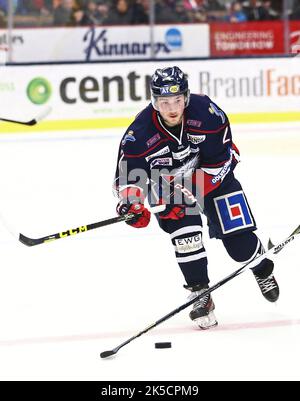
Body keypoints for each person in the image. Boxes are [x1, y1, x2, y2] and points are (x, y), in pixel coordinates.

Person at [113, 66, 279, 330]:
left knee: (240, 247)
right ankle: (201, 294)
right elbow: (128, 176)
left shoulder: (207, 114)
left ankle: (262, 267)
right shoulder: (139, 133)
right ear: (154, 101)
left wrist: (198, 186)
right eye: (164, 101)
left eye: (177, 100)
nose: (171, 108)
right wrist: (131, 204)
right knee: (186, 238)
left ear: (186, 97)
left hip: (213, 176)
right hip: (169, 185)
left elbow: (224, 158)